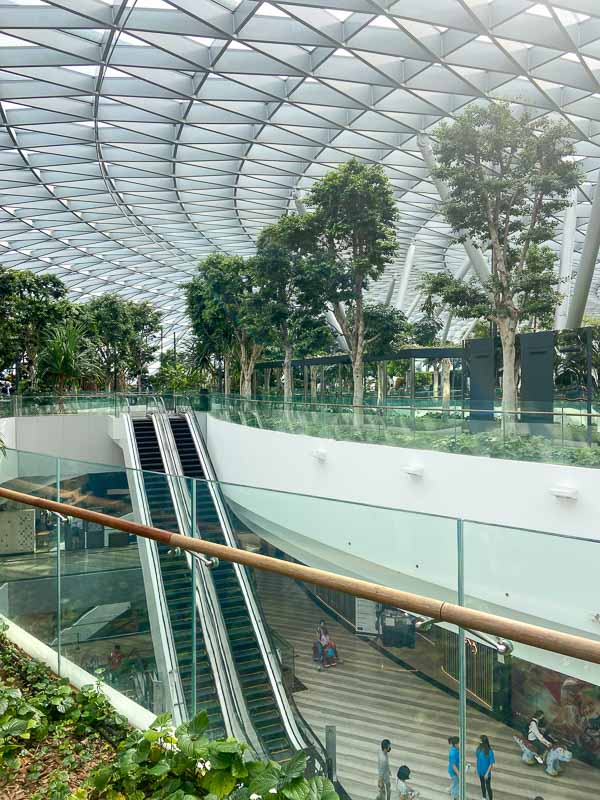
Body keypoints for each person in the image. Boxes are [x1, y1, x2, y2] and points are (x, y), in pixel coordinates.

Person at [475, 735, 495, 800]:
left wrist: (487, 773)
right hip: (480, 771)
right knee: (482, 785)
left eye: (480, 740)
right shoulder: (478, 749)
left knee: (488, 787)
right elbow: (477, 759)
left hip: (486, 773)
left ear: (483, 741)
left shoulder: (490, 751)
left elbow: (491, 763)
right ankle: (484, 797)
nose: (479, 741)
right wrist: (476, 769)